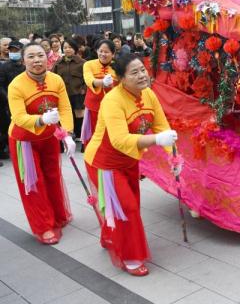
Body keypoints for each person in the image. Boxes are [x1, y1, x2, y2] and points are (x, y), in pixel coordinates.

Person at [83, 54, 177, 276]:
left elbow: (162, 126)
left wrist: (173, 157)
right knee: (128, 208)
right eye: (134, 72)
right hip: (104, 162)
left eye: (142, 70)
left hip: (129, 159)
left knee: (127, 204)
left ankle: (108, 235)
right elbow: (119, 140)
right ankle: (130, 256)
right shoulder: (112, 101)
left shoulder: (148, 94)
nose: (142, 75)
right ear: (121, 78)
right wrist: (155, 140)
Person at [7, 43, 76, 245]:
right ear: (23, 61)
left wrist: (68, 134)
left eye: (40, 56)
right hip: (25, 140)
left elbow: (64, 107)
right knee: (33, 183)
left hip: (49, 137)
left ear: (48, 58)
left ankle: (58, 215)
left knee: (53, 176)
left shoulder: (56, 79)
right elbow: (19, 117)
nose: (37, 60)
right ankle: (44, 225)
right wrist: (41, 120)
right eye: (31, 57)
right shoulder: (16, 85)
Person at [82, 40, 118, 145]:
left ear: (113, 53)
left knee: (111, 134)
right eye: (100, 51)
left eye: (106, 52)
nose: (103, 54)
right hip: (94, 106)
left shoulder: (118, 66)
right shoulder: (88, 64)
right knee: (94, 134)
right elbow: (88, 79)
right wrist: (102, 82)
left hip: (113, 106)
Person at [53, 39, 86, 141]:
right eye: (65, 47)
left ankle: (80, 135)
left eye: (70, 47)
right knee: (65, 114)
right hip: (64, 94)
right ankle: (68, 134)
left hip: (78, 94)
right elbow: (53, 77)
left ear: (75, 49)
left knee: (79, 114)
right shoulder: (58, 63)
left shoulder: (82, 63)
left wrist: (83, 89)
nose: (67, 49)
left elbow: (87, 78)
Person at [0, 40, 25, 160]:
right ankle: (14, 149)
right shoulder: (4, 67)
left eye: (16, 50)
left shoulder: (26, 66)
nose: (13, 52)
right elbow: (1, 85)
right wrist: (8, 98)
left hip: (27, 99)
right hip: (9, 102)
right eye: (11, 50)